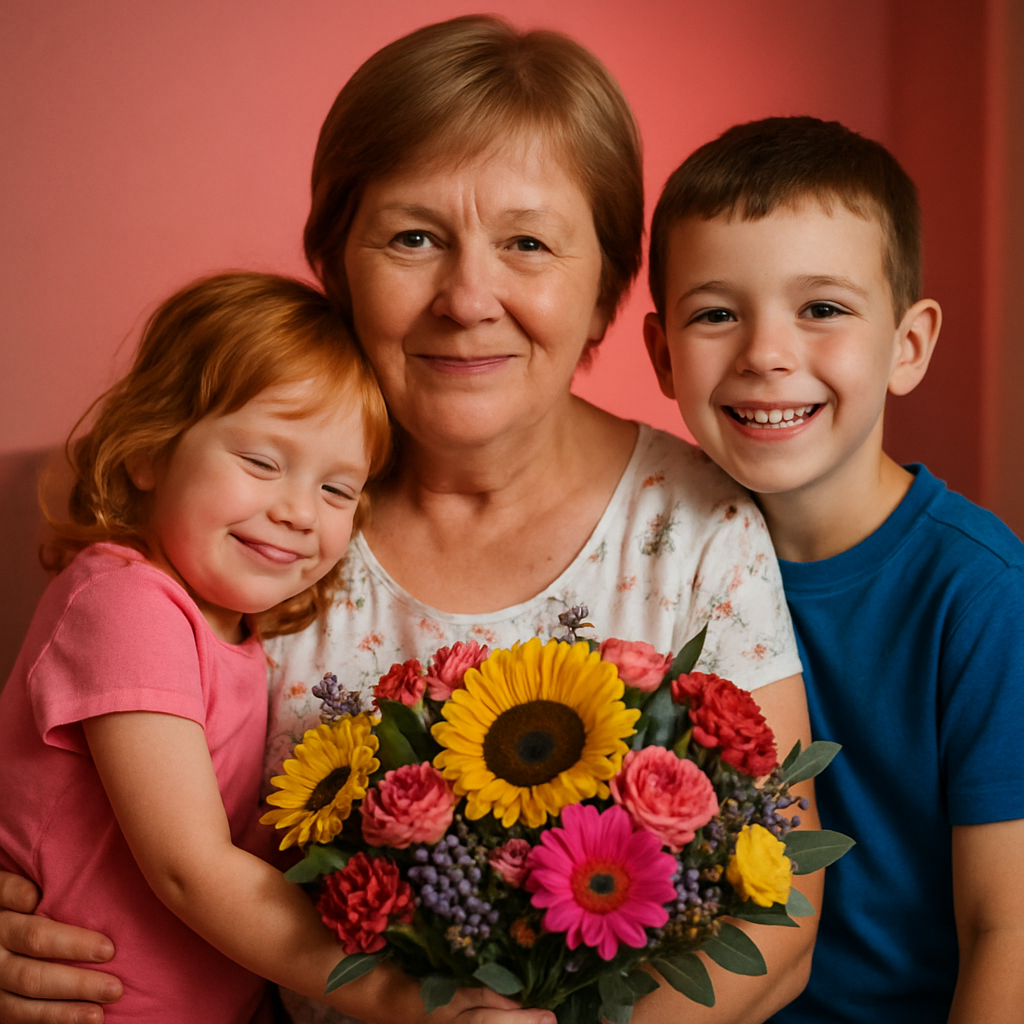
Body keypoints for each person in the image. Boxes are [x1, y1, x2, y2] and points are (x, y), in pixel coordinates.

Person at [0, 19, 821, 1024]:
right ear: (336, 262)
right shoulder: (249, 529)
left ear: (606, 281)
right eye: (414, 237)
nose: (468, 297)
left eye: (526, 242)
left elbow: (775, 920)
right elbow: (81, 771)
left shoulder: (698, 527)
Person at [642, 115, 1024, 1023]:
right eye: (716, 313)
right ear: (662, 355)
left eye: (822, 308)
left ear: (909, 345)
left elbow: (1007, 929)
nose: (766, 354)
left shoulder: (980, 594)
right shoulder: (658, 560)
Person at [0, 269, 416, 1023]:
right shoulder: (127, 601)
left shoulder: (237, 629)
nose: (297, 511)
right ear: (150, 450)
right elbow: (189, 870)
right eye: (262, 462)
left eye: (337, 490)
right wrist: (398, 998)